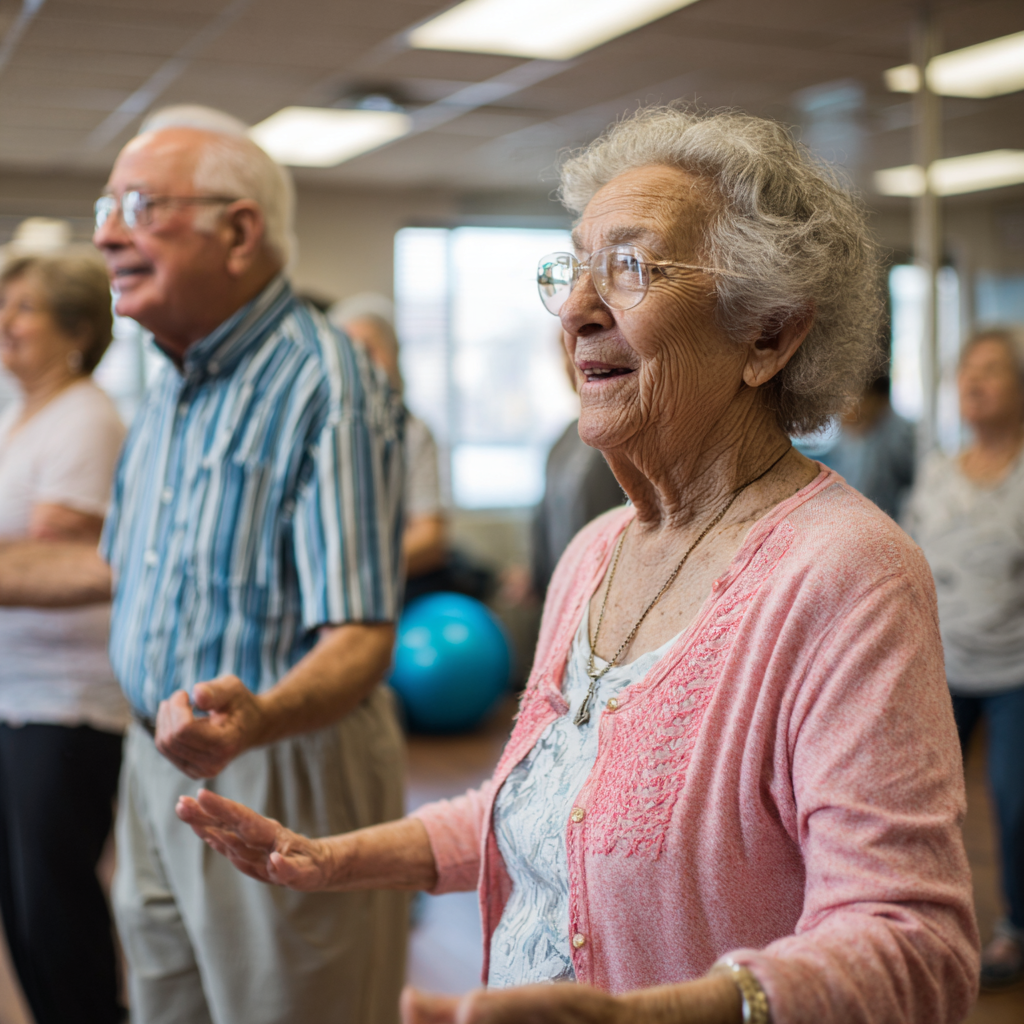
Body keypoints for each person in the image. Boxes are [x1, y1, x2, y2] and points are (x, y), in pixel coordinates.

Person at [178, 105, 979, 1024]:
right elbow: (546, 803)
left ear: (768, 335)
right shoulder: (596, 552)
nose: (575, 309)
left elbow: (915, 944)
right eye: (573, 271)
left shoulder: (848, 573)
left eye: (631, 268)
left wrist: (647, 1018)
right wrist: (329, 859)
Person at [0, 111, 407, 1024]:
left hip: (278, 758)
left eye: (140, 207)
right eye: (107, 209)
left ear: (239, 231)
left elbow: (361, 635)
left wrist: (258, 719)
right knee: (167, 1007)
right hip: (157, 758)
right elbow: (120, 571)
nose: (108, 235)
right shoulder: (170, 386)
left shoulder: (326, 386)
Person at [0, 254, 128, 1024]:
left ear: (77, 330)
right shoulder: (23, 413)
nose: (4, 322)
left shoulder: (84, 416)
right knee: (21, 904)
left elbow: (52, 557)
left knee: (54, 908)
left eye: (25, 308)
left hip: (67, 700)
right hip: (17, 694)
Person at [904, 326, 1024, 990]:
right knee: (917, 801)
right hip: (940, 666)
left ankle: (1017, 929)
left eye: (992, 369)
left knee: (1014, 801)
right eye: (966, 369)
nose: (974, 381)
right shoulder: (937, 470)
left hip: (1015, 674)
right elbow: (907, 553)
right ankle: (917, 927)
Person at [330, 297, 448, 594]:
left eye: (369, 350)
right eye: (348, 351)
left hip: (396, 589)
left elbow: (430, 537)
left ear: (394, 354)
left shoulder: (413, 432)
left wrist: (353, 572)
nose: (360, 363)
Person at [817, 374, 915, 518]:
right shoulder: (850, 437)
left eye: (846, 397)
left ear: (873, 398)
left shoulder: (901, 436)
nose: (838, 409)